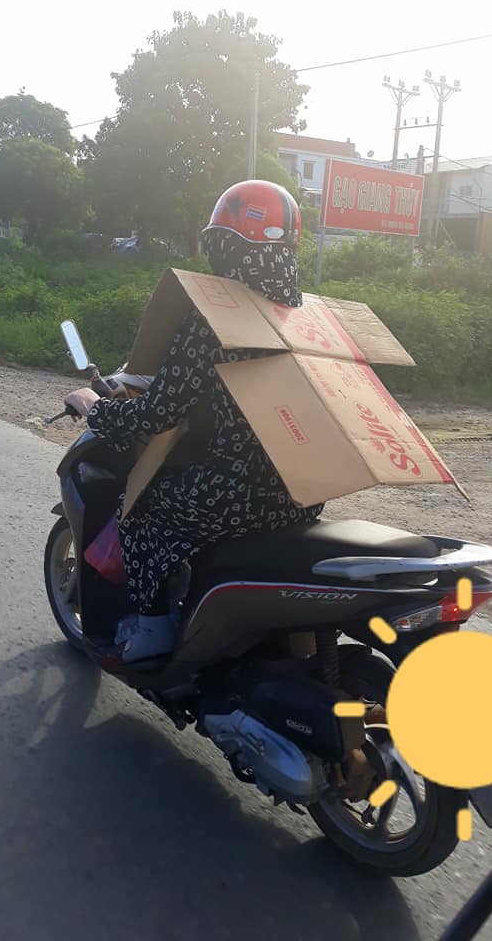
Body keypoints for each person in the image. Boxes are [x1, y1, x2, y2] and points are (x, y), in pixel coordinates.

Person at [65, 180, 324, 662]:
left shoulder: (216, 319)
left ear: (225, 246)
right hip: (304, 496)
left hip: (231, 495)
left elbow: (159, 412)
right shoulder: (310, 319)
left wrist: (96, 408)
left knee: (139, 513)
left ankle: (150, 633)